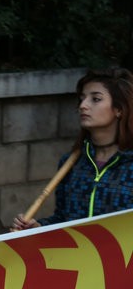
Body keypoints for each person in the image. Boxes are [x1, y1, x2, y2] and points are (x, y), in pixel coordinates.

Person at [12, 68, 133, 230]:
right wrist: (38, 227)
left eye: (95, 99)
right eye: (82, 99)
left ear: (119, 109)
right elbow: (63, 219)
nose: (83, 106)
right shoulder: (71, 163)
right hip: (81, 254)